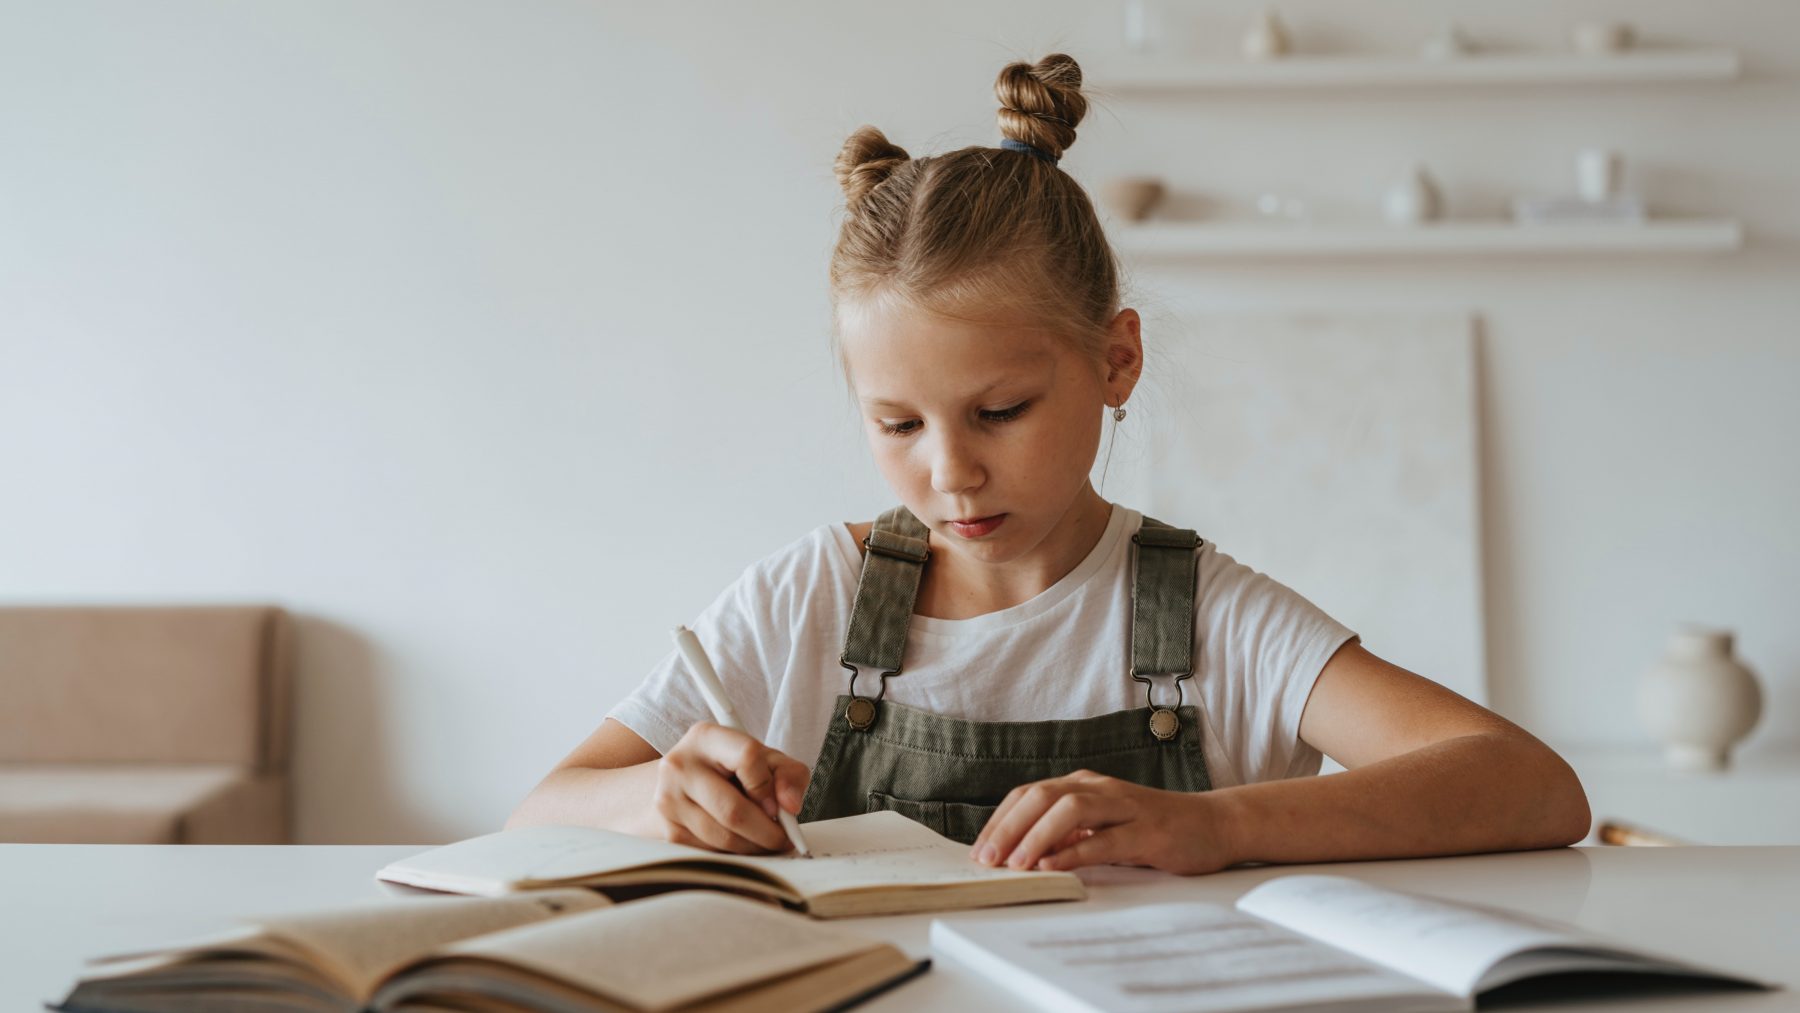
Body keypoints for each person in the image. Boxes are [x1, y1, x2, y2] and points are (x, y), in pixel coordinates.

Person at [508, 53, 1590, 876]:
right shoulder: (809, 600)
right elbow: (540, 811)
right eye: (898, 425)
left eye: (999, 411)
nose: (951, 472)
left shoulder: (1208, 618)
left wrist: (1214, 823)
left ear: (1116, 360)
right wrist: (658, 796)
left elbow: (1532, 785)